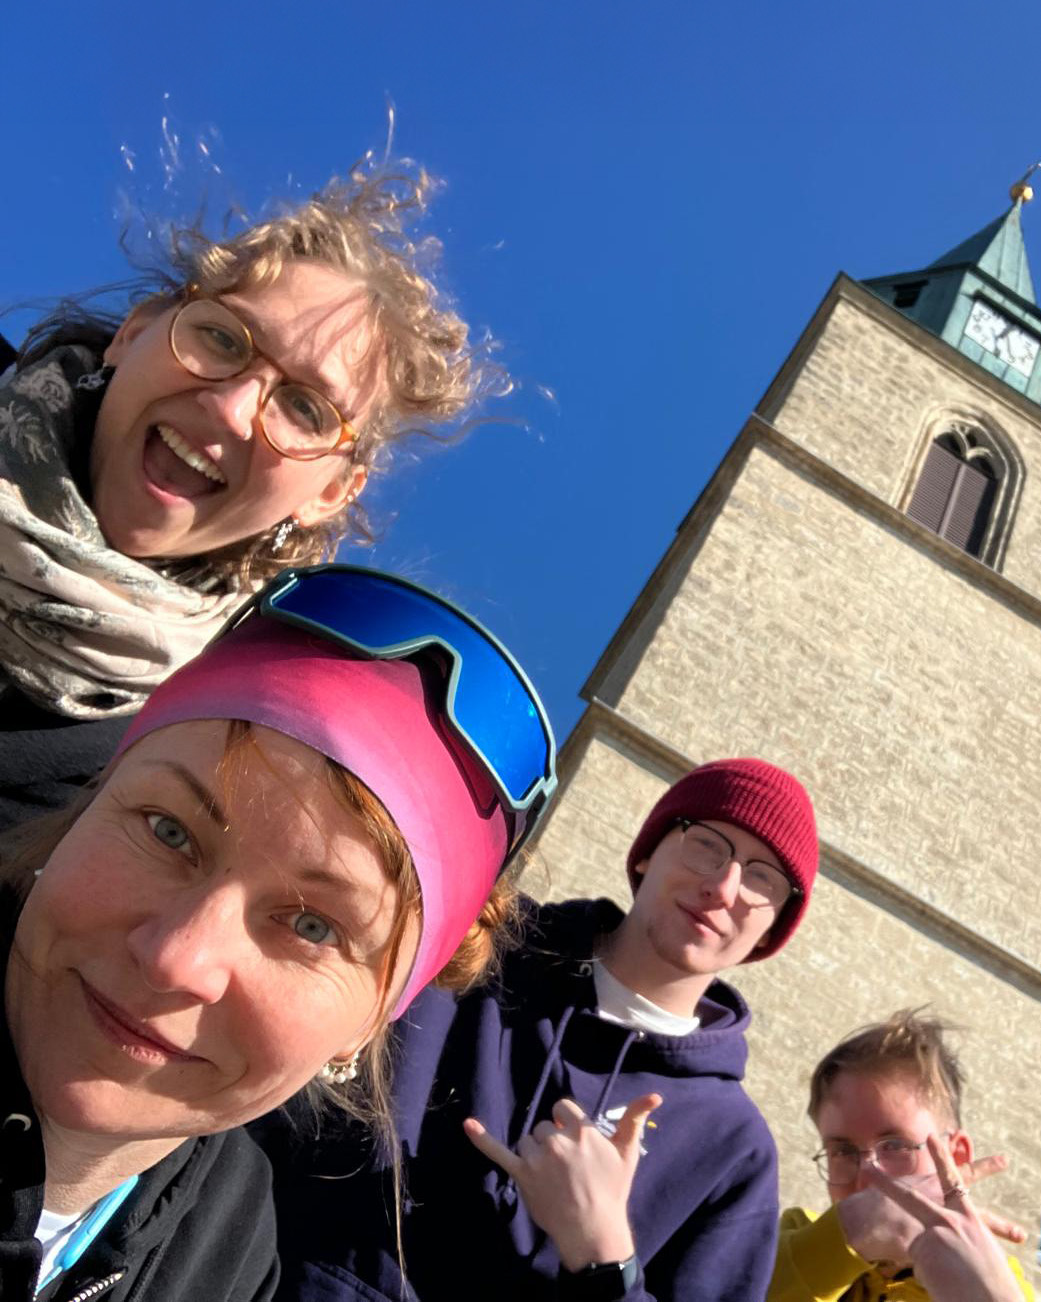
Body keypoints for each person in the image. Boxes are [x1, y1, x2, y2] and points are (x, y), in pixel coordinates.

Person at [0, 563, 557, 1301]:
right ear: (86, 810)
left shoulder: (232, 1253)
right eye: (169, 831)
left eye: (311, 926)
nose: (177, 959)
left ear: (367, 1025)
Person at [0, 157, 501, 828]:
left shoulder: (191, 765)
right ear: (135, 331)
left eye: (305, 408)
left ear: (330, 492)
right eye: (221, 337)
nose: (233, 410)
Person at [264, 756, 819, 1301]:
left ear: (773, 929)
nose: (723, 886)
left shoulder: (735, 1150)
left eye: (762, 878)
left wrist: (605, 1254)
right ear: (650, 851)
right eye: (707, 845)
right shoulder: (475, 936)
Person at [769, 1009, 1034, 1302]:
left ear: (955, 1159)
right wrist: (850, 1231)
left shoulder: (994, 1280)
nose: (868, 1178)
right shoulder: (799, 1240)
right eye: (842, 1151)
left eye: (895, 1146)